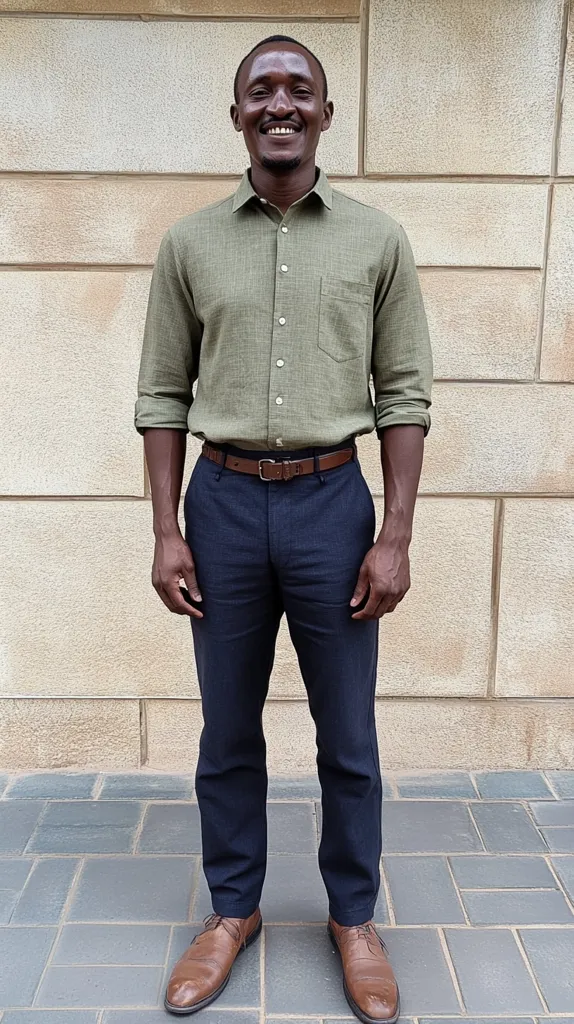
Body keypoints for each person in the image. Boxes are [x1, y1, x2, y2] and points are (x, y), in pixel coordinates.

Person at [135, 33, 432, 1023]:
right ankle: (231, 910)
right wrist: (165, 529)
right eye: (260, 89)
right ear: (235, 116)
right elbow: (162, 393)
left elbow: (403, 394)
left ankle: (353, 916)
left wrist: (392, 534)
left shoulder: (377, 241)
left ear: (324, 114)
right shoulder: (188, 246)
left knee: (346, 732)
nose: (279, 102)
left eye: (297, 88)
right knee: (227, 730)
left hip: (330, 508)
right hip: (217, 507)